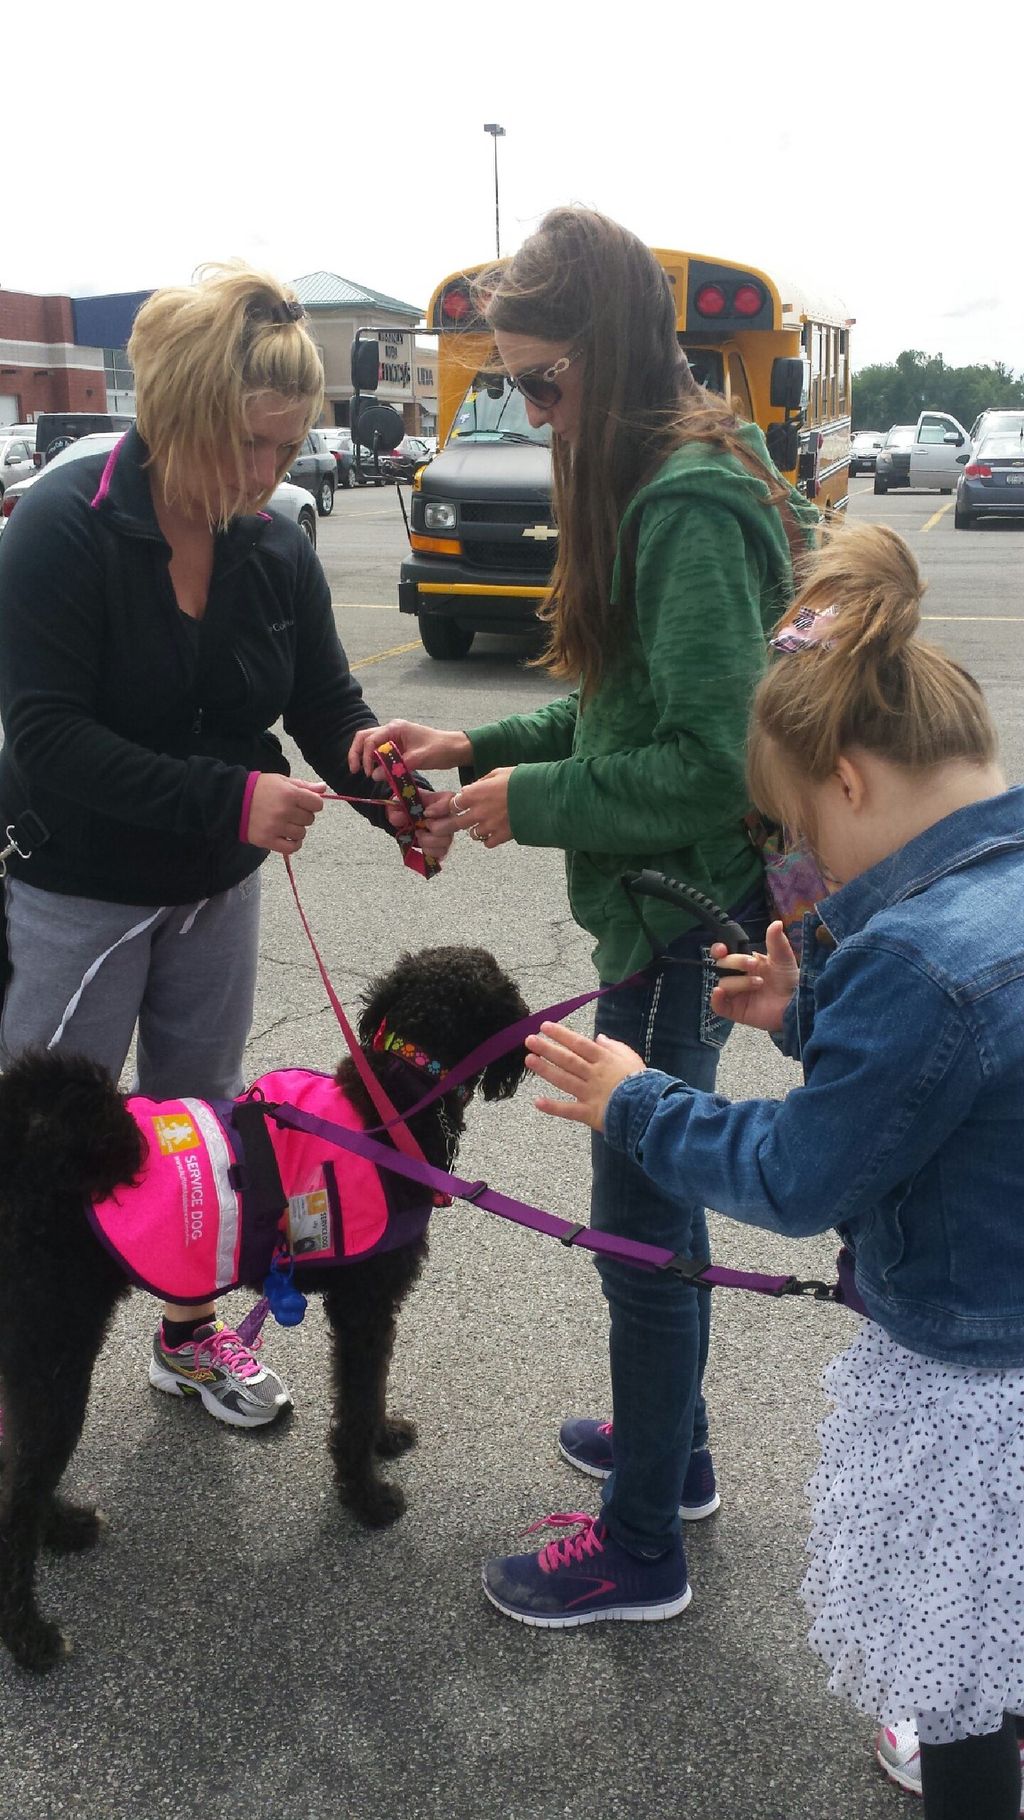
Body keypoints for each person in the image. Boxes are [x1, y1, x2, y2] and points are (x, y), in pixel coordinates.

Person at [351, 205, 818, 1623]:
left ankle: (642, 1547)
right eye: (510, 384)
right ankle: (671, 1458)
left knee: (639, 1222)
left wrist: (530, 801)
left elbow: (709, 756)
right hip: (670, 910)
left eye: (543, 381)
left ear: (607, 360)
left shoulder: (678, 499)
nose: (529, 407)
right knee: (648, 1216)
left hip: (683, 917)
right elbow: (626, 710)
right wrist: (477, 751)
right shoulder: (657, 471)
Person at [521, 521, 1024, 1820]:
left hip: (976, 1375)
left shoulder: (912, 959)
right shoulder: (991, 897)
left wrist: (634, 1103)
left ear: (847, 783)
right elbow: (950, 1095)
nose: (802, 870)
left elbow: (802, 1175)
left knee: (959, 1672)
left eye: (797, 829)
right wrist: (805, 1018)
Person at [0, 263, 449, 1430]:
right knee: (46, 1151)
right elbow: (45, 738)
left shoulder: (272, 541)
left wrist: (382, 781)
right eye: (252, 446)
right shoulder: (63, 523)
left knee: (199, 1130)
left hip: (213, 892)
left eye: (289, 446)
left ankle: (186, 1338)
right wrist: (230, 800)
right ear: (180, 418)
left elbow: (326, 704)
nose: (271, 477)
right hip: (78, 890)